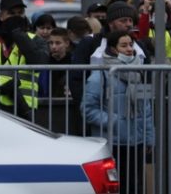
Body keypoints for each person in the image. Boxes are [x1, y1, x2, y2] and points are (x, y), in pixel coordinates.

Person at [82, 30, 154, 194]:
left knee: (133, 186)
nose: (129, 49)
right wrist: (114, 121)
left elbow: (146, 109)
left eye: (131, 45)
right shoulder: (100, 75)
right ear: (113, 49)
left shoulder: (138, 72)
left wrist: (149, 137)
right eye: (124, 45)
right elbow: (87, 109)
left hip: (136, 141)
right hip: (112, 143)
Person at [39, 27, 72, 98]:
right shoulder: (44, 61)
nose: (53, 46)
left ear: (67, 43)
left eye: (58, 43)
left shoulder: (74, 61)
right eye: (51, 43)